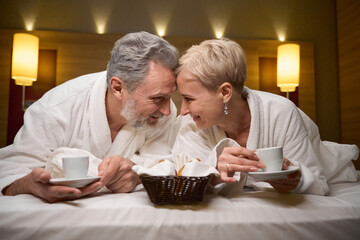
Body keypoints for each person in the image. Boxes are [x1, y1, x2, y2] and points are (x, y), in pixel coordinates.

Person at [0, 31, 179, 202]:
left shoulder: (162, 113)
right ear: (118, 88)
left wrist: (138, 175)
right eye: (157, 98)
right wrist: (29, 185)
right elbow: (9, 175)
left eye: (169, 96)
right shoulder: (54, 111)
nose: (167, 111)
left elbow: (163, 163)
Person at [171, 38, 359, 195]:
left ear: (225, 92)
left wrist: (296, 181)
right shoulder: (191, 123)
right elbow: (184, 176)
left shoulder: (281, 113)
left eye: (189, 99)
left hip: (328, 164)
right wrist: (214, 168)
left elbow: (319, 182)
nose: (183, 110)